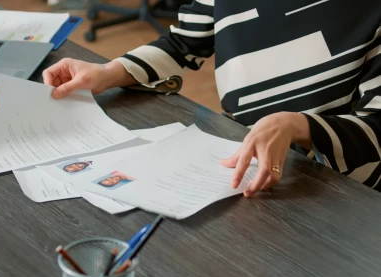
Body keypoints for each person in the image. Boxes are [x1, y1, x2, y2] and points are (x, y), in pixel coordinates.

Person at [43, 1, 381, 197]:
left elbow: (377, 128)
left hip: (337, 187)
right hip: (238, 165)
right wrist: (109, 72)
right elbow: (184, 43)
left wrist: (296, 125)